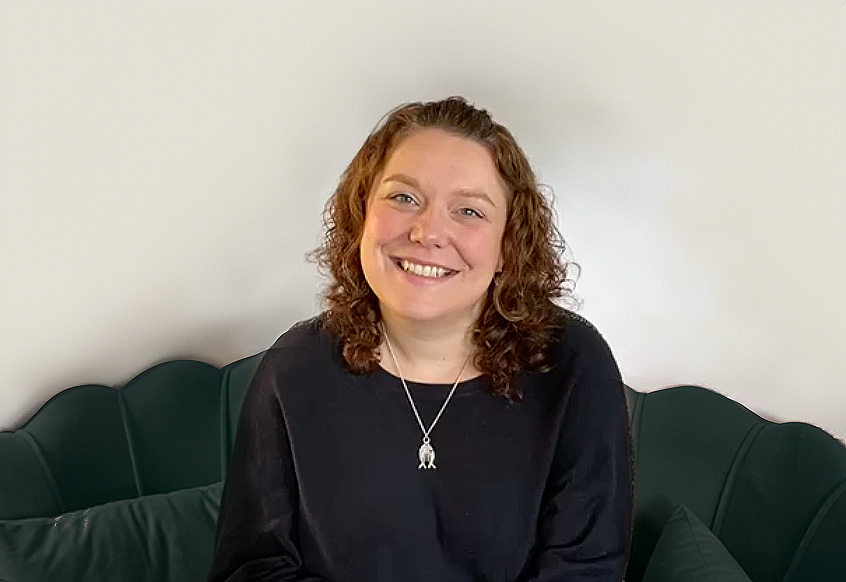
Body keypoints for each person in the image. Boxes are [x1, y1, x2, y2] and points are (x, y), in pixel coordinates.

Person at [208, 96, 633, 582]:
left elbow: (584, 571)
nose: (428, 232)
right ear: (361, 213)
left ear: (506, 249)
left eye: (469, 211)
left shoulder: (572, 364)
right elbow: (251, 570)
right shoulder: (294, 368)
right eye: (403, 198)